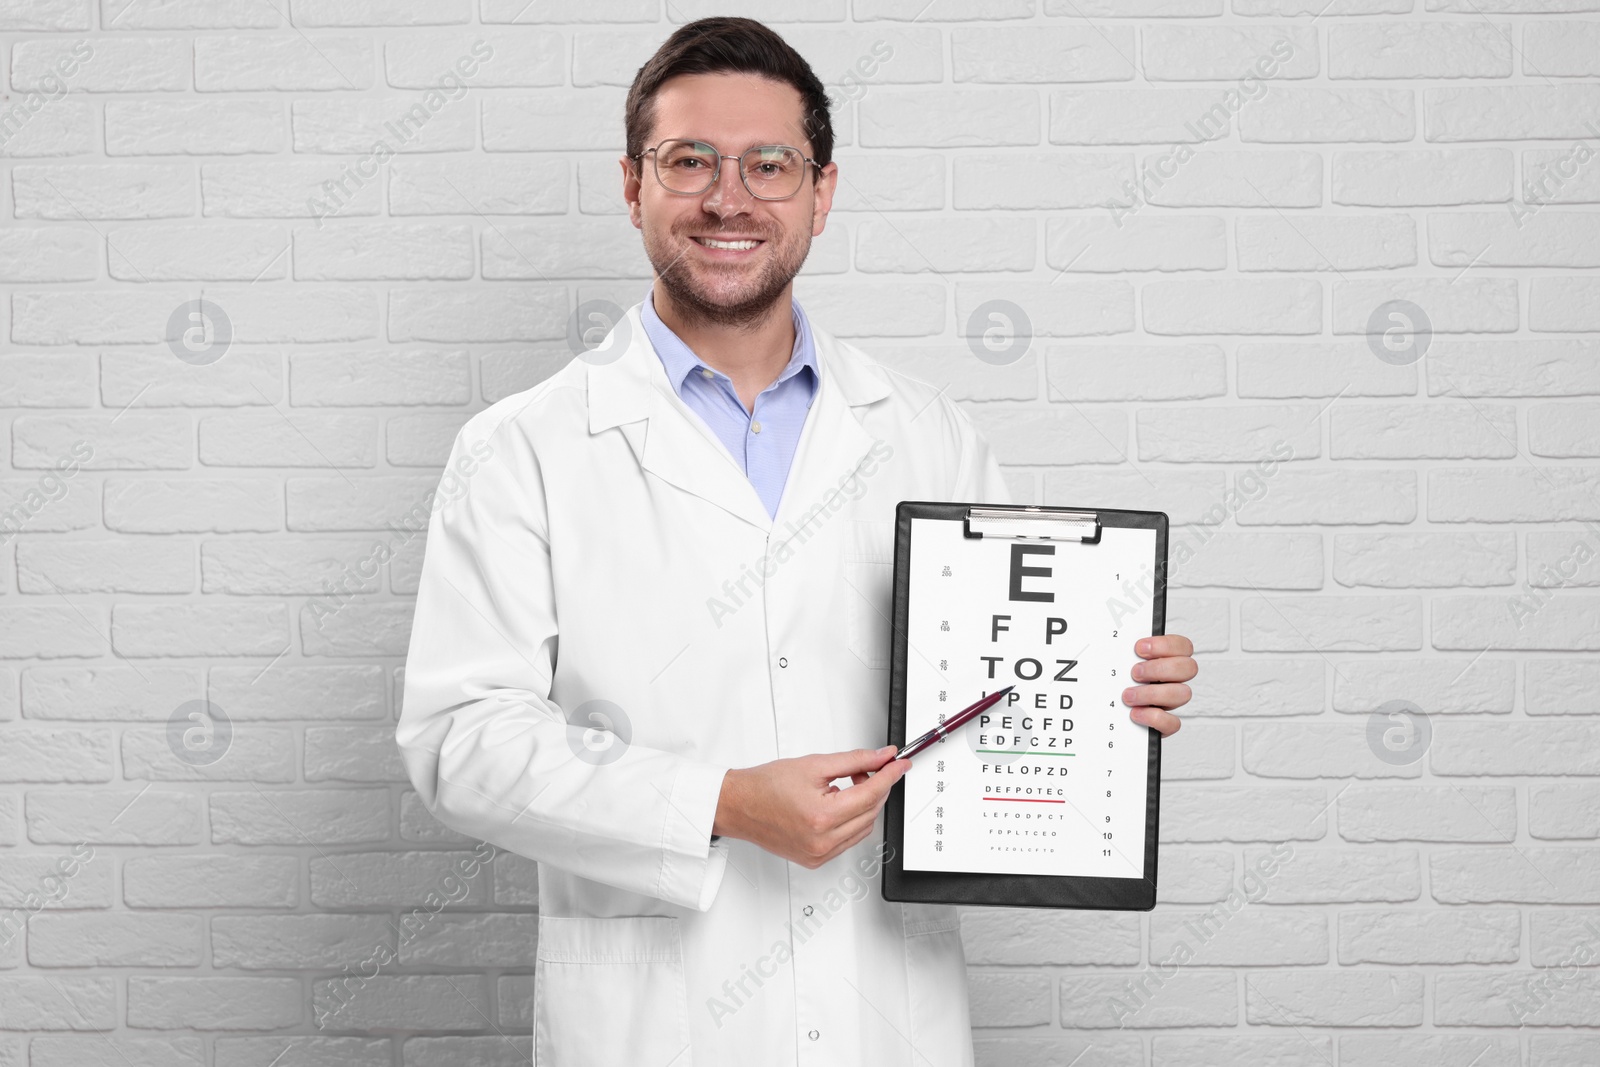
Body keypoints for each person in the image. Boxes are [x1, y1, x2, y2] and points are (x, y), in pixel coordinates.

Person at [397, 16, 1197, 1067]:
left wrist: (1108, 689)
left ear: (820, 192)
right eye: (689, 161)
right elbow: (461, 742)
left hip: (886, 1012)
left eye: (769, 163)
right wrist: (719, 803)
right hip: (655, 1024)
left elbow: (990, 695)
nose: (729, 197)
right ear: (633, 186)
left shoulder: (924, 434)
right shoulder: (520, 449)